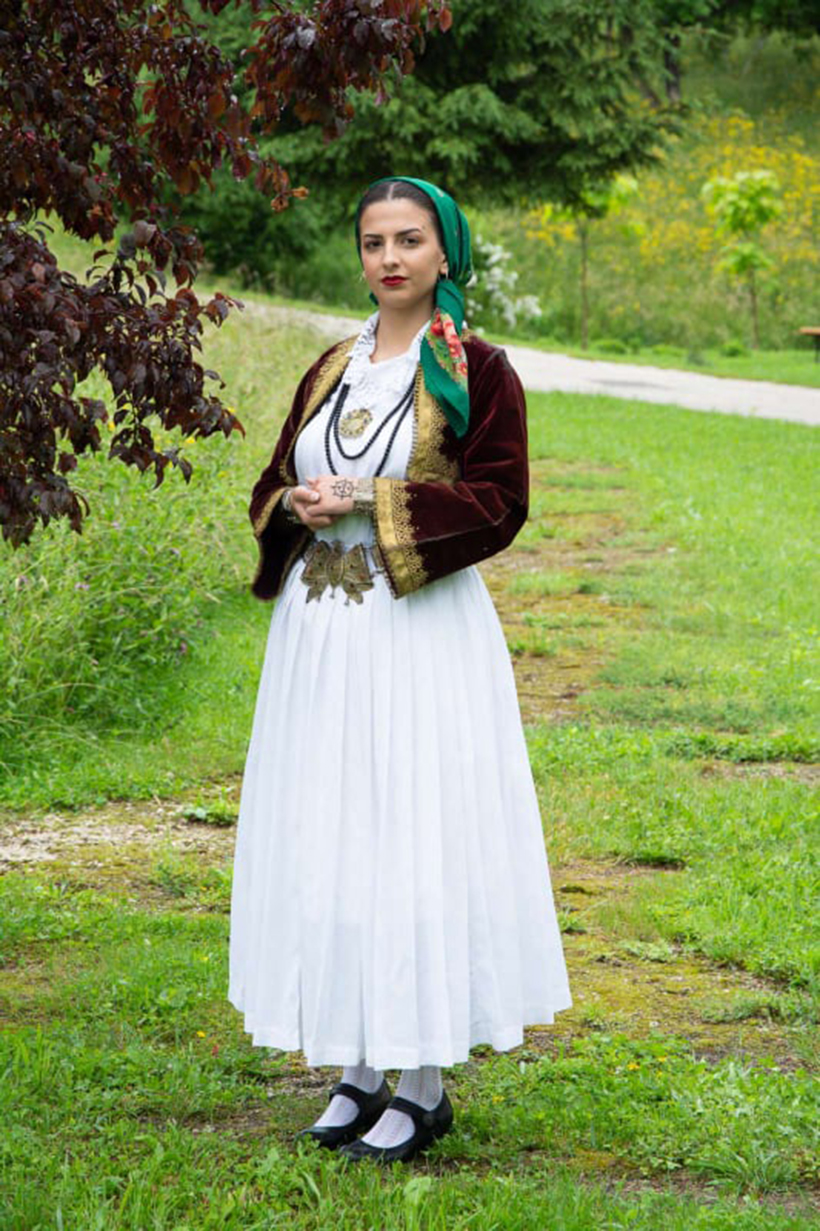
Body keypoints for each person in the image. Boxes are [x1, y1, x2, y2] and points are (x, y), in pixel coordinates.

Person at [228, 176, 571, 1165]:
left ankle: (421, 1083)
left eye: (409, 240)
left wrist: (373, 499)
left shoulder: (476, 370)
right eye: (374, 241)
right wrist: (295, 503)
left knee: (410, 829)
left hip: (416, 634)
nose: (389, 258)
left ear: (443, 252)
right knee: (332, 832)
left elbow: (499, 499)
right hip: (319, 636)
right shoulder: (331, 365)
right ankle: (357, 1066)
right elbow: (274, 479)